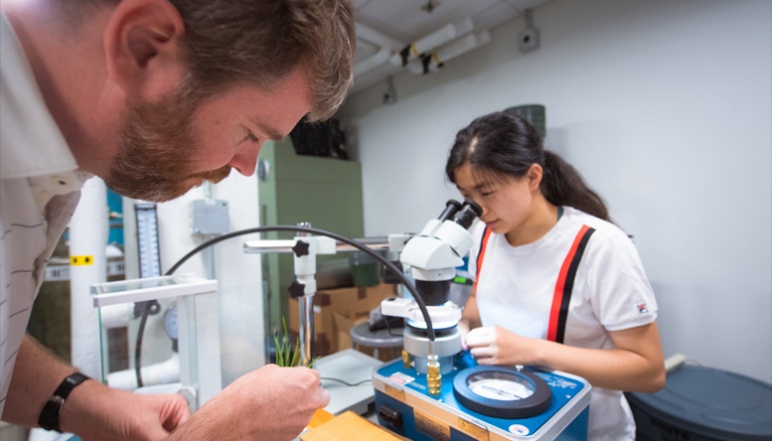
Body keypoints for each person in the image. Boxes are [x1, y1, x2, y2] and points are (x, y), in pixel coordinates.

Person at [0, 0, 355, 439]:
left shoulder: (46, 173)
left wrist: (85, 402)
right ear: (144, 47)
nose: (247, 166)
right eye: (250, 132)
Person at [446, 111, 665, 440]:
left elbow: (649, 371)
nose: (479, 210)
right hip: (509, 420)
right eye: (467, 197)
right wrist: (462, 324)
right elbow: (481, 296)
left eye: (487, 193)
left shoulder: (600, 246)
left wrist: (532, 350)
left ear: (533, 177)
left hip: (585, 430)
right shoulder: (485, 235)